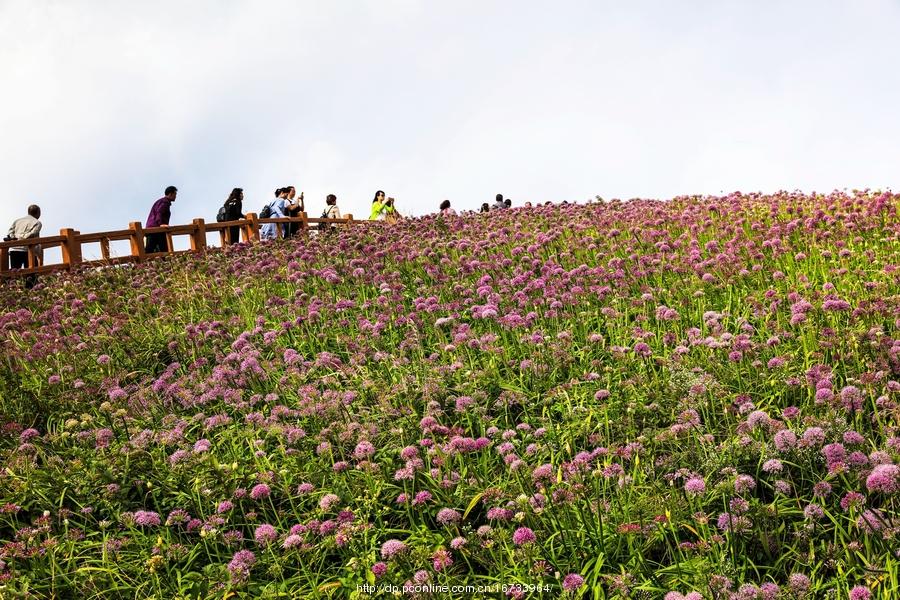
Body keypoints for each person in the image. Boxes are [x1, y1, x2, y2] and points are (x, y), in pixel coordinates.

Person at [6, 204, 42, 288]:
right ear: (38, 213)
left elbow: (10, 233)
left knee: (14, 272)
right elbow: (33, 234)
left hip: (14, 249)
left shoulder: (17, 221)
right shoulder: (37, 223)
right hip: (28, 250)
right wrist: (22, 237)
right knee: (32, 273)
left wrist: (15, 238)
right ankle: (31, 291)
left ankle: (12, 290)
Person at [145, 186, 177, 254]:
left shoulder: (161, 201)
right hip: (156, 229)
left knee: (151, 249)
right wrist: (161, 224)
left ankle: (143, 263)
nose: (175, 196)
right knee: (163, 249)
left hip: (152, 228)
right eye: (175, 194)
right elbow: (159, 213)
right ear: (170, 194)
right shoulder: (165, 202)